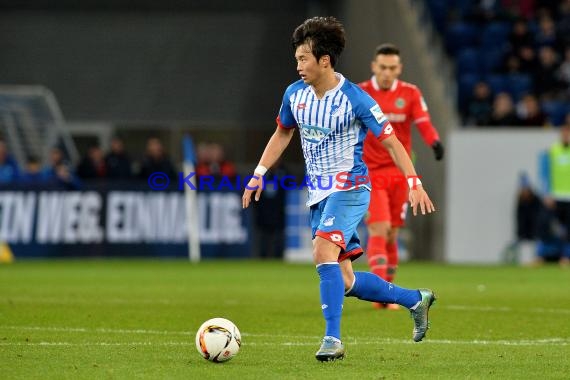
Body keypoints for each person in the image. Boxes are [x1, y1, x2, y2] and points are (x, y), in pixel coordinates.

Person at [242, 16, 436, 362]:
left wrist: (414, 182)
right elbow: (283, 132)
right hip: (318, 194)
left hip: (351, 186)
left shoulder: (355, 98)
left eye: (304, 58)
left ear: (325, 60)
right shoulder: (294, 95)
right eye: (297, 58)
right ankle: (414, 299)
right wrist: (259, 172)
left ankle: (332, 340)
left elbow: (391, 142)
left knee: (321, 252)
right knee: (344, 281)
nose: (298, 65)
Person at [358, 44, 444, 310]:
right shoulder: (360, 92)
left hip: (400, 173)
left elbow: (423, 122)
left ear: (399, 68)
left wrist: (435, 141)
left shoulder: (410, 93)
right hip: (369, 172)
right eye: (382, 67)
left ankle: (386, 291)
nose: (387, 73)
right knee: (378, 228)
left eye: (392, 68)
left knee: (393, 234)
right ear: (374, 66)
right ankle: (382, 295)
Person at [537, 124, 570, 266]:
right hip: (555, 197)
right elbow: (544, 173)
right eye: (565, 134)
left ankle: (566, 257)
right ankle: (542, 255)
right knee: (545, 226)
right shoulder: (552, 151)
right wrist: (547, 193)